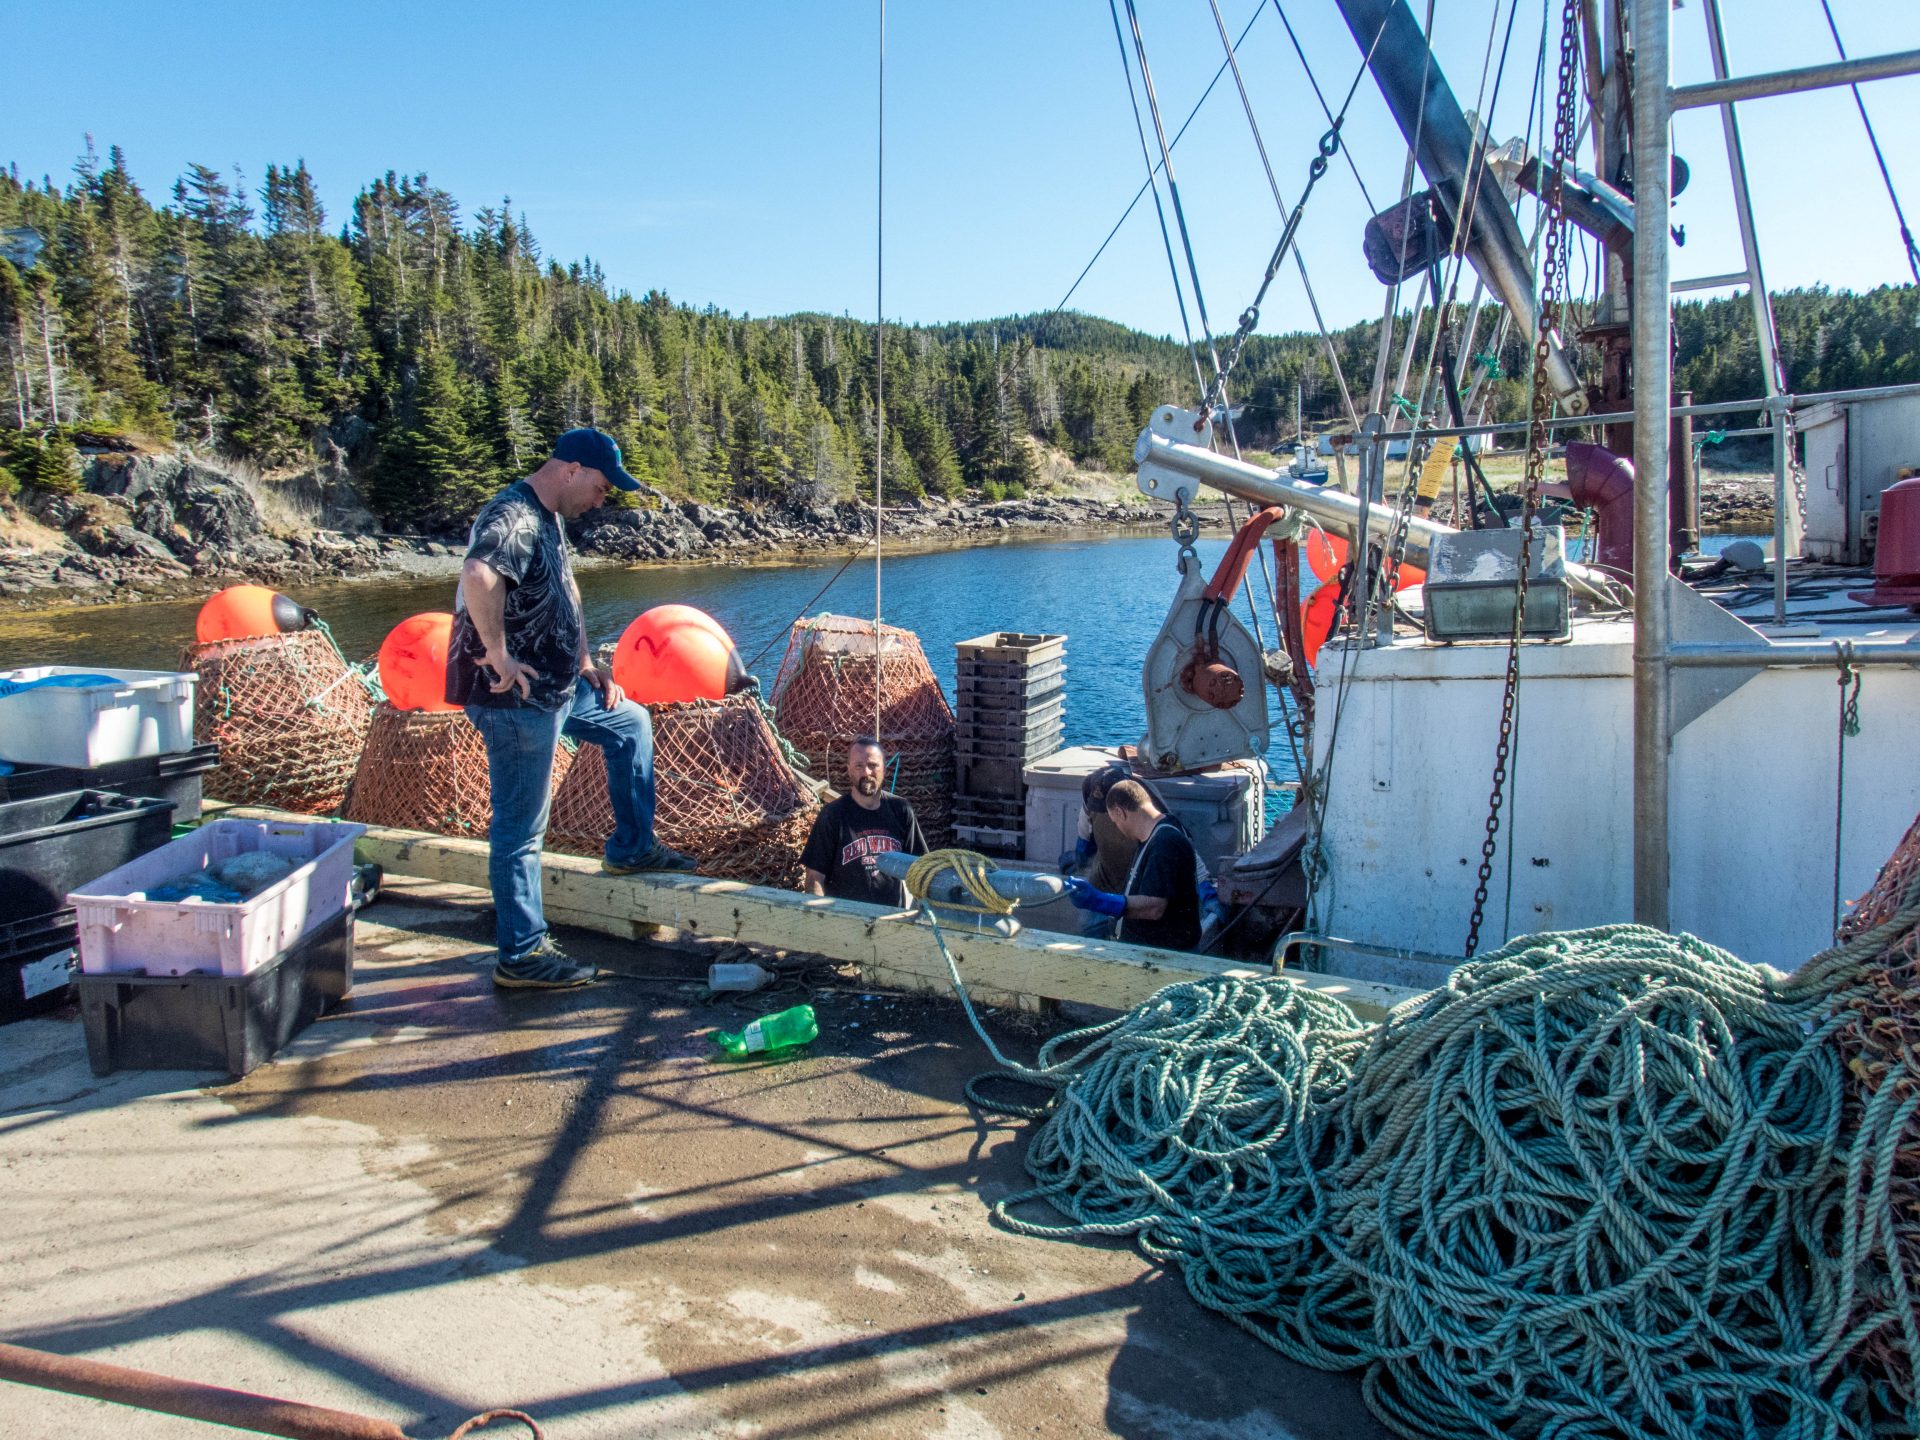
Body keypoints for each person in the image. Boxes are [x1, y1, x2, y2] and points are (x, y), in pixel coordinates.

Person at [446, 426, 696, 991]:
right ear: (571, 470)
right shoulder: (512, 515)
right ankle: (522, 955)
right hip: (515, 700)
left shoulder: (550, 516)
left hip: (561, 688)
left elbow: (567, 592)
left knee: (630, 723)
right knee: (520, 829)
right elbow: (479, 574)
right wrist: (499, 656)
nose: (603, 499)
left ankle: (632, 849)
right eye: (603, 487)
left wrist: (587, 662)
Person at [1066, 779, 1201, 951]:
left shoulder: (1165, 844)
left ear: (1120, 812)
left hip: (1163, 959)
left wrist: (1100, 901)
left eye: (1115, 821)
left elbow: (1155, 907)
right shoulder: (1153, 836)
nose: (1117, 827)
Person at [800, 737, 927, 906]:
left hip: (890, 919)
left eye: (873, 765)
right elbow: (815, 877)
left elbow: (921, 868)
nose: (866, 772)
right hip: (846, 920)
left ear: (885, 770)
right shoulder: (833, 815)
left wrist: (915, 916)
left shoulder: (901, 810)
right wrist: (823, 919)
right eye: (859, 766)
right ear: (849, 770)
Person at [1057, 762, 1139, 941]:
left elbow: (1185, 854)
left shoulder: (1147, 810)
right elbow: (1084, 839)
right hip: (1103, 881)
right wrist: (1079, 862)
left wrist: (1207, 894)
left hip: (1138, 893)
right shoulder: (1090, 797)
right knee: (1086, 935)